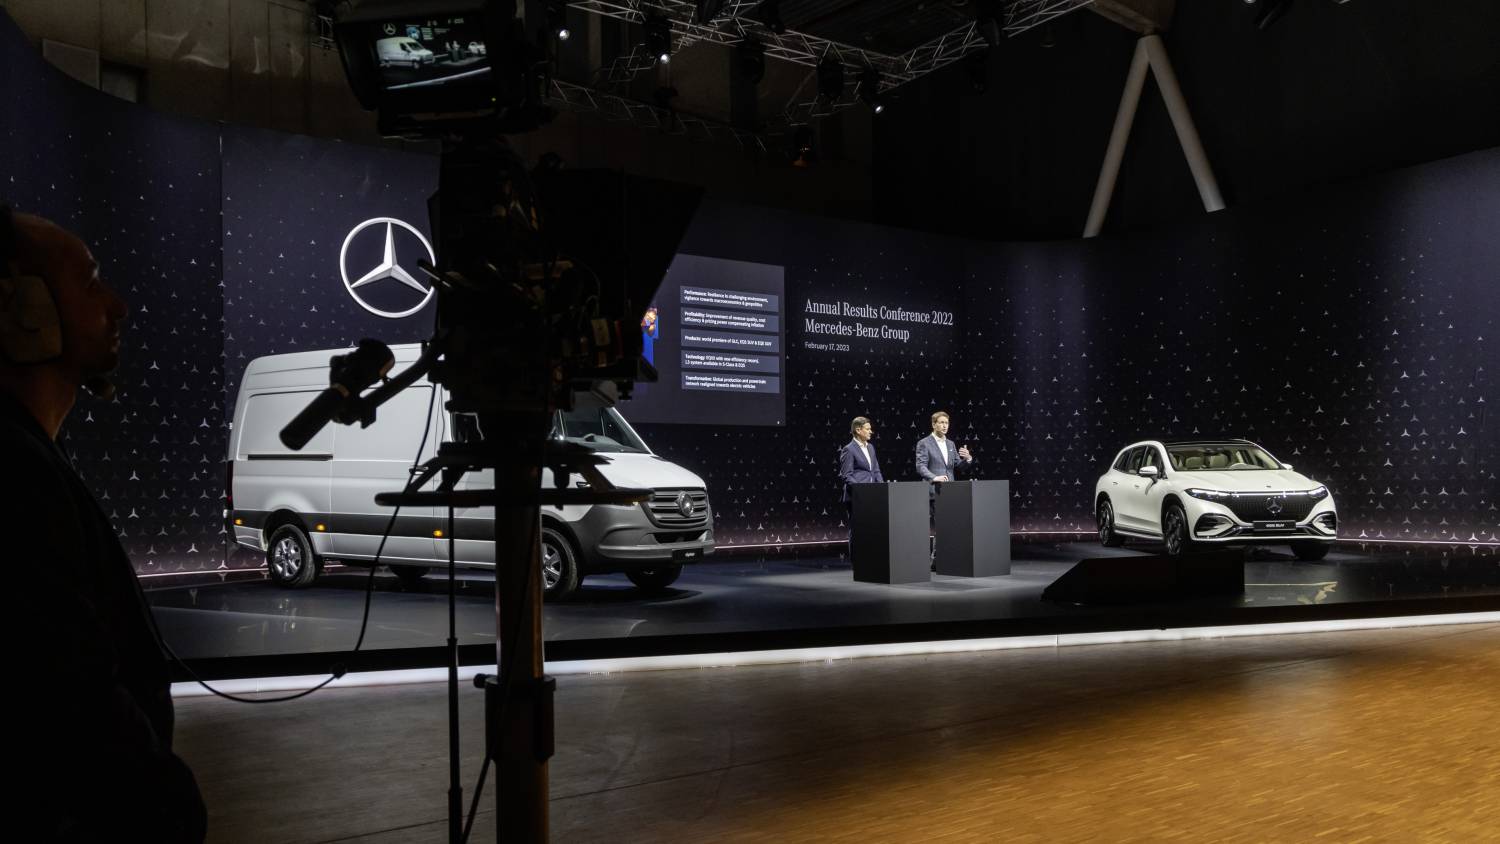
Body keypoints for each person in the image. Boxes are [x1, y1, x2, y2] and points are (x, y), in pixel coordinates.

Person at [1, 207, 206, 842]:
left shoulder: (34, 457)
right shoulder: (15, 472)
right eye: (90, 283)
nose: (118, 306)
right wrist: (165, 804)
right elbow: (68, 692)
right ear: (24, 308)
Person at [915, 410, 974, 565]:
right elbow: (920, 466)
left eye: (946, 423)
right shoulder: (924, 443)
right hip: (934, 490)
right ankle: (935, 560)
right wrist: (934, 478)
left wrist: (968, 459)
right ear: (933, 424)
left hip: (950, 491)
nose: (944, 425)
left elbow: (957, 466)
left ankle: (943, 558)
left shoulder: (950, 444)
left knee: (948, 525)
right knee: (940, 526)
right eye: (941, 422)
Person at [838, 416, 884, 548]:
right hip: (857, 497)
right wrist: (861, 490)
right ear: (858, 430)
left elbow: (876, 470)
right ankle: (856, 559)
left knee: (872, 530)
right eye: (868, 429)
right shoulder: (849, 449)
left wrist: (882, 488)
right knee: (858, 531)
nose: (871, 432)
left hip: (872, 496)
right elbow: (846, 475)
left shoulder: (871, 447)